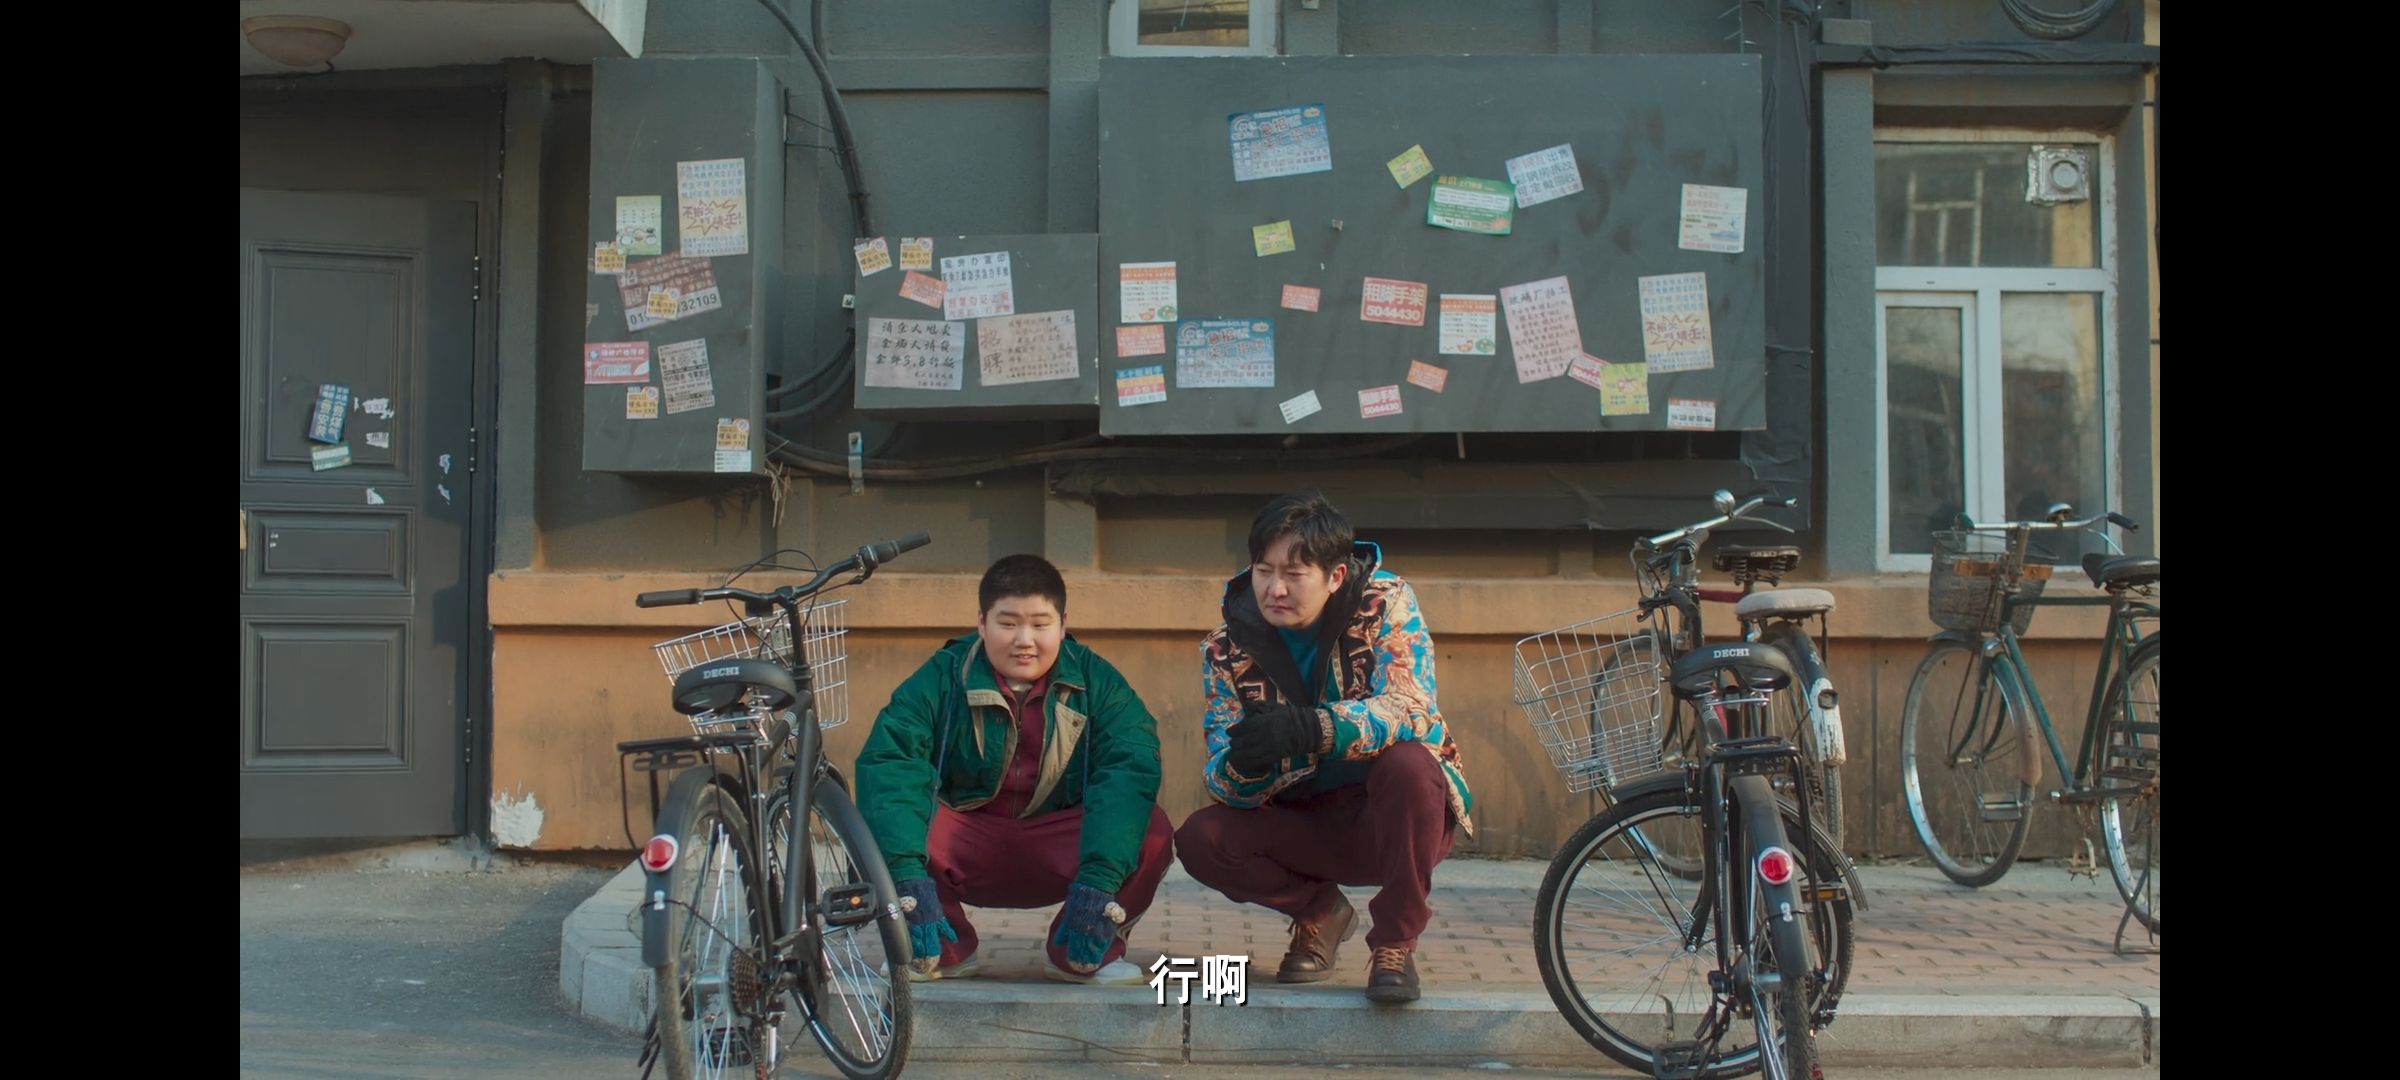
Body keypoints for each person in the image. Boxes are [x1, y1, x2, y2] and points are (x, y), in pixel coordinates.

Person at [1174, 492, 1473, 1003]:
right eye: (1263, 571)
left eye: (1294, 574)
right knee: (1202, 838)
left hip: (1394, 817)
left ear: (1335, 576)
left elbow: (1410, 707)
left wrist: (1316, 728)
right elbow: (1220, 774)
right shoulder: (1225, 647)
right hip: (1306, 821)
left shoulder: (1385, 602)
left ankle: (1395, 943)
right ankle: (1319, 913)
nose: (1275, 589)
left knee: (1410, 765)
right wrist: (1244, 765)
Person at [855, 554, 1172, 985]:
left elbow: (1129, 768)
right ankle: (938, 949)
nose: (1025, 640)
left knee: (1151, 830)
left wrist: (1100, 878)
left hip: (1058, 845)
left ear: (1063, 624)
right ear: (982, 623)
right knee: (883, 818)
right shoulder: (943, 676)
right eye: (1007, 623)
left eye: (1040, 624)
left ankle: (1083, 952)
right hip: (967, 841)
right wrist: (907, 877)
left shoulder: (1098, 681)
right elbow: (891, 763)